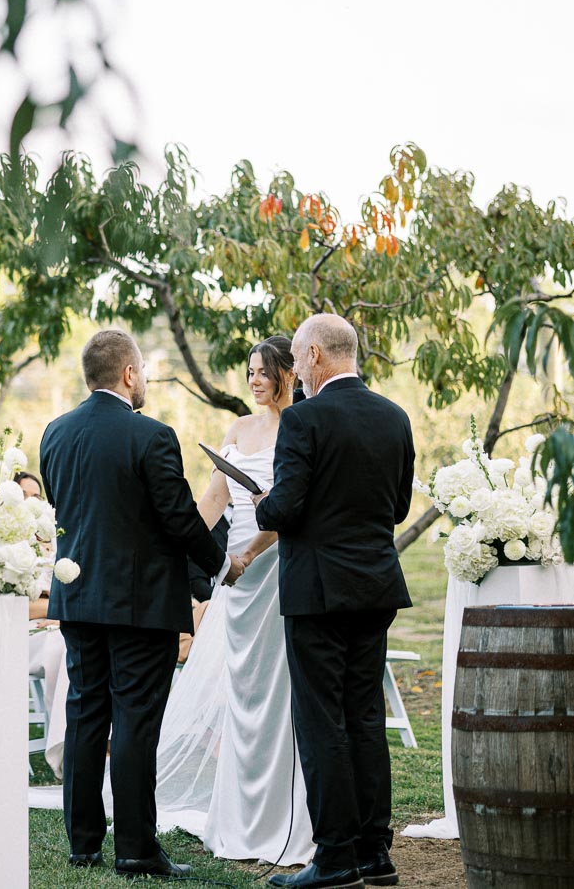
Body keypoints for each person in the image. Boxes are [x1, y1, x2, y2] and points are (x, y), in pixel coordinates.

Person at [39, 328, 245, 878]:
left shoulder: (54, 433)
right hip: (140, 603)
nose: (146, 381)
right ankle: (134, 848)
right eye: (145, 372)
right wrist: (222, 563)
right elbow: (178, 519)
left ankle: (83, 844)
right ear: (129, 374)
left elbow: (68, 509)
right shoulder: (151, 436)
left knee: (85, 714)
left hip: (78, 596)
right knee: (134, 721)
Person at [253, 313, 414, 889]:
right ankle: (376, 854)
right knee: (365, 717)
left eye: (297, 360)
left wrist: (265, 504)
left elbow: (285, 509)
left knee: (322, 722)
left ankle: (335, 856)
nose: (294, 370)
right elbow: (396, 508)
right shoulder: (395, 417)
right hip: (375, 587)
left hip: (318, 591)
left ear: (316, 355)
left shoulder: (303, 420)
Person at [155, 336, 316, 866]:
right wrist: (179, 544)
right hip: (237, 576)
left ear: (288, 372)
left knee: (281, 690)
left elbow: (295, 510)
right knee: (240, 691)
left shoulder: (304, 424)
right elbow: (213, 500)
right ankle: (241, 811)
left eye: (264, 370)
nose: (254, 379)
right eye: (249, 371)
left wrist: (245, 552)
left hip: (277, 566)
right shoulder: (238, 429)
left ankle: (283, 813)